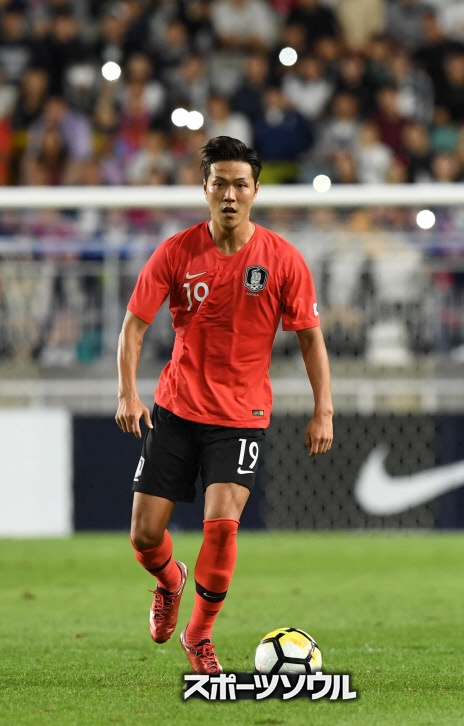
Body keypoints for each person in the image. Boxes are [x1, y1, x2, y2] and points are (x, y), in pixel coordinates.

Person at [115, 135, 334, 675]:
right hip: (176, 408)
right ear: (205, 188)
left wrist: (323, 410)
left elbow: (311, 338)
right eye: (220, 184)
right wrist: (128, 392)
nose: (230, 195)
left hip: (241, 416)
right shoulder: (176, 252)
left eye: (240, 184)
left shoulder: (283, 259)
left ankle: (199, 635)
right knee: (144, 535)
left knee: (222, 526)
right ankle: (170, 581)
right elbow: (134, 326)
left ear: (256, 190)